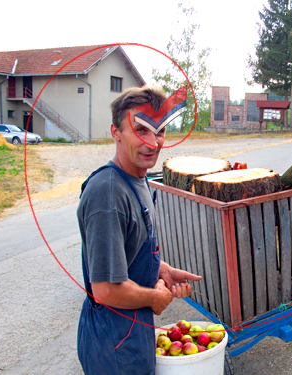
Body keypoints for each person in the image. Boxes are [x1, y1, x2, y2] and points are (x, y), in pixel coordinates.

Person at [77, 85, 201, 374]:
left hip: (134, 334)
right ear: (115, 132)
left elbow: (130, 250)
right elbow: (106, 289)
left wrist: (161, 270)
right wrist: (155, 298)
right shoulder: (107, 194)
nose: (153, 142)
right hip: (113, 345)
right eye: (141, 130)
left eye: (159, 132)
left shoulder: (139, 179)